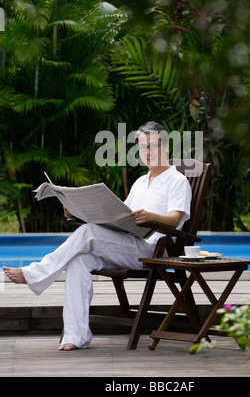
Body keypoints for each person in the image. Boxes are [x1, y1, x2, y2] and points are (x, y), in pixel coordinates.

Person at [3, 122, 192, 351]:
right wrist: (80, 213)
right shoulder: (141, 182)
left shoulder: (178, 181)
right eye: (143, 148)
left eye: (153, 146)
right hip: (130, 245)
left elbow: (174, 220)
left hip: (154, 249)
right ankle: (76, 335)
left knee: (89, 232)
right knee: (78, 260)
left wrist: (150, 216)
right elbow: (121, 219)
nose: (148, 153)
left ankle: (35, 273)